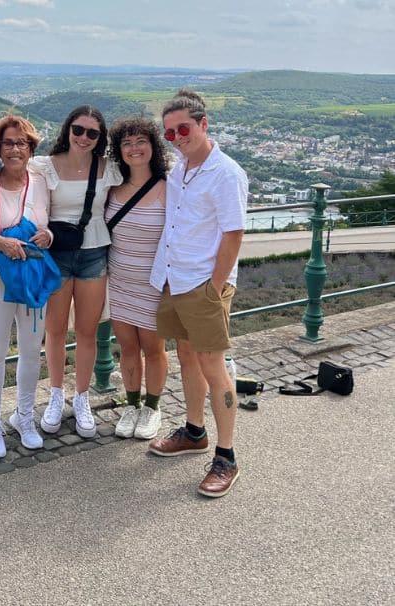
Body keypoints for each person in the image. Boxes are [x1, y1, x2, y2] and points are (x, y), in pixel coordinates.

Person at [148, 89, 247, 498]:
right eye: (169, 133)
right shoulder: (180, 168)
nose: (176, 137)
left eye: (183, 129)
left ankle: (227, 457)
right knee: (187, 355)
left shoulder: (226, 173)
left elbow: (234, 232)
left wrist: (215, 286)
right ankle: (194, 432)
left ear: (204, 125)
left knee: (212, 364)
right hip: (174, 277)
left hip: (203, 283)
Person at [31, 106, 122, 438]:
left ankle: (81, 397)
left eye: (92, 133)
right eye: (79, 130)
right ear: (68, 129)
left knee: (87, 331)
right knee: (54, 331)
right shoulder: (44, 166)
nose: (84, 137)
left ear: (100, 138)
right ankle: (57, 394)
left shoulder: (108, 169)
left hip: (94, 251)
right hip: (56, 253)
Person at [0, 115, 54, 458]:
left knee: (31, 348)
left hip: (32, 275)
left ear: (31, 148)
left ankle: (24, 415)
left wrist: (49, 235)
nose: (15, 149)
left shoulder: (40, 182)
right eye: (8, 143)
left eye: (22, 143)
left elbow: (49, 226)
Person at [105, 118, 169, 440]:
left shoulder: (167, 188)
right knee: (128, 347)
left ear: (153, 146)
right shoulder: (112, 189)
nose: (134, 148)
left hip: (153, 284)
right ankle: (131, 404)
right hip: (119, 281)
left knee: (154, 348)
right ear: (119, 150)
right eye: (127, 143)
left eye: (140, 141)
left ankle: (153, 407)